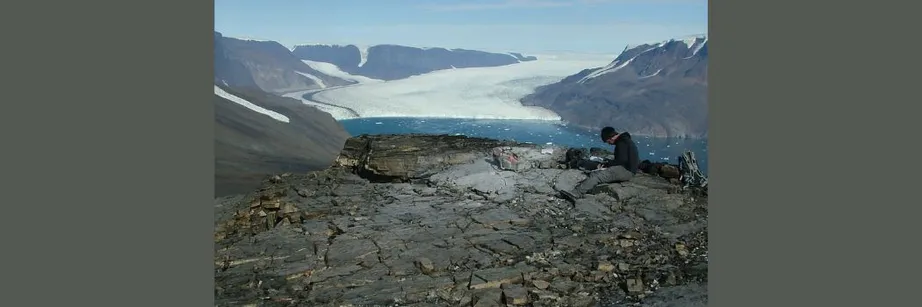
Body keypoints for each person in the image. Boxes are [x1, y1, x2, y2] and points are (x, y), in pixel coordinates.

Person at [559, 127, 640, 202]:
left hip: (626, 171)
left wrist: (608, 164)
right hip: (629, 169)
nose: (609, 143)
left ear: (611, 137)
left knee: (597, 176)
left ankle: (576, 193)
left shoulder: (622, 143)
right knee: (599, 169)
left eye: (607, 141)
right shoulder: (625, 140)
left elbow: (622, 160)